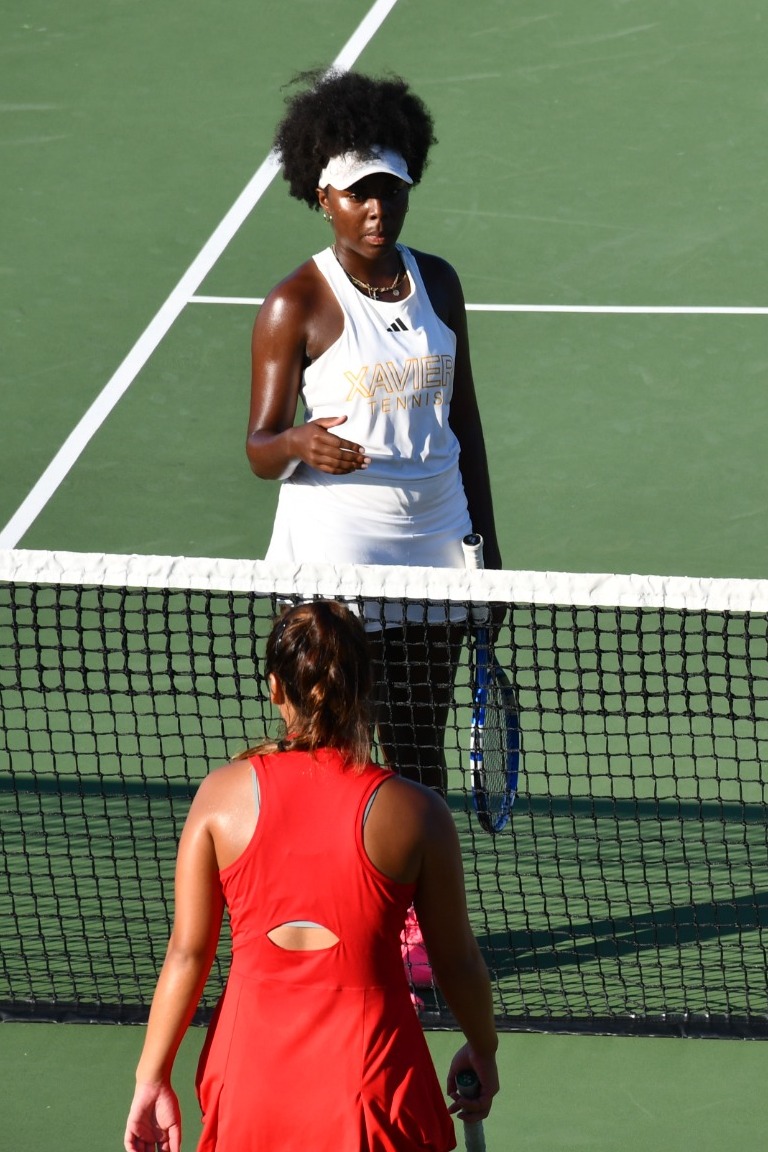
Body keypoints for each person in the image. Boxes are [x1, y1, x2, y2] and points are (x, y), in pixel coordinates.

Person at [123, 600, 499, 1152]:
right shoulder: (418, 813)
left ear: (276, 688)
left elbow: (186, 953)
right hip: (374, 1088)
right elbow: (458, 960)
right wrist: (482, 1048)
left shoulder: (218, 799)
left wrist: (150, 1078)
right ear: (368, 686)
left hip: (248, 1083)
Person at [246, 68, 501, 795]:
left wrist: (488, 546)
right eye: (359, 192)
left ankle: (418, 908)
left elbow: (464, 419)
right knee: (332, 746)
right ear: (322, 197)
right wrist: (297, 443)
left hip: (436, 543)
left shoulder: (439, 284)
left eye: (390, 188)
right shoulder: (294, 304)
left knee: (419, 746)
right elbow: (260, 447)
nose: (377, 208)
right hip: (338, 556)